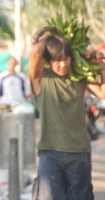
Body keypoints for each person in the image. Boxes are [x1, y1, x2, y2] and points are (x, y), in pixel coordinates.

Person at [29, 27, 105, 200]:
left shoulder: (79, 77)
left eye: (66, 58)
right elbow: (35, 53)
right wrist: (48, 36)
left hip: (79, 152)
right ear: (47, 61)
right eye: (57, 60)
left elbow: (103, 93)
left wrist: (100, 66)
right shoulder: (40, 79)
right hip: (50, 154)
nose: (63, 64)